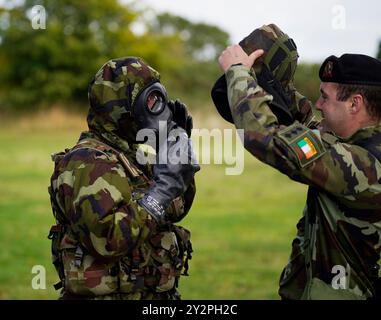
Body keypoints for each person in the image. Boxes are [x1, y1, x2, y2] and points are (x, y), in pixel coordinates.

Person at [216, 28, 381, 299]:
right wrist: (271, 80)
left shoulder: (364, 166)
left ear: (355, 104)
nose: (317, 104)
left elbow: (268, 139)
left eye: (325, 98)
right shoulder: (359, 147)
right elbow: (307, 127)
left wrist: (238, 73)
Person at [48, 56, 200, 300]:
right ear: (119, 109)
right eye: (149, 101)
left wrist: (177, 157)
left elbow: (175, 208)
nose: (159, 110)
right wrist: (161, 190)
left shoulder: (132, 157)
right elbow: (107, 241)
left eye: (158, 99)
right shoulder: (85, 162)